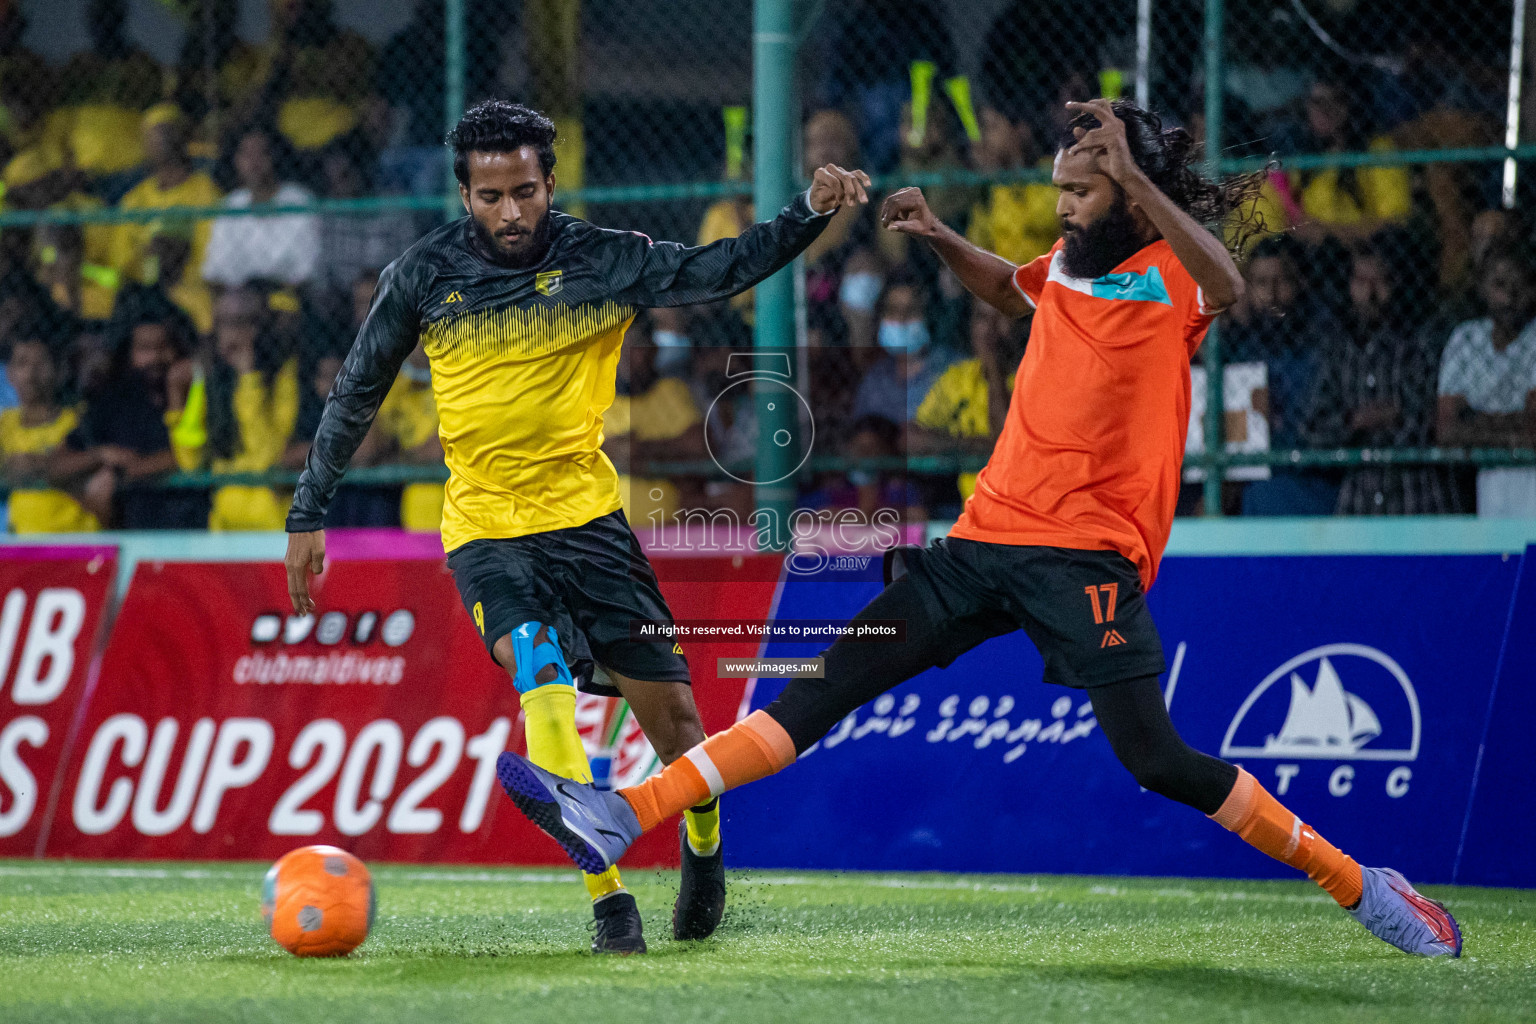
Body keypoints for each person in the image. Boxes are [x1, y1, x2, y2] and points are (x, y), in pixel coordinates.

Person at [496, 99, 1464, 962]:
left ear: (1127, 193)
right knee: (819, 691)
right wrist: (938, 234)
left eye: (1082, 191)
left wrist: (1130, 179)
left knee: (1159, 760)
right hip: (981, 541)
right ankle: (625, 811)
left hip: (1084, 558)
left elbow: (1230, 284)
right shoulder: (1071, 266)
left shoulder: (1171, 274)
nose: (1063, 206)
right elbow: (1016, 287)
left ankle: (1363, 884)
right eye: (1060, 189)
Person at [281, 100, 870, 953]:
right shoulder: (422, 275)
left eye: (525, 191)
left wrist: (806, 211)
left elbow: (721, 270)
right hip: (484, 528)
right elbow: (357, 389)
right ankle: (609, 902)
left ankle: (702, 848)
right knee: (539, 672)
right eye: (490, 197)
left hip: (589, 523)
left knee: (672, 717)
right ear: (464, 193)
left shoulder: (605, 259)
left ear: (551, 182)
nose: (510, 212)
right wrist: (309, 510)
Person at [1304, 239, 1456, 514]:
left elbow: (1427, 424)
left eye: (1380, 281)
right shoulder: (1339, 355)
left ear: (1396, 284)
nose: (1371, 293)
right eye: (1362, 281)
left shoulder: (1419, 347)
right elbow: (1313, 429)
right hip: (1359, 497)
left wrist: (1382, 423)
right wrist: (1356, 421)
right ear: (1349, 286)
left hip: (1416, 496)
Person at [1437, 246, 1536, 516]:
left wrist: (1475, 420)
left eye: (1520, 284)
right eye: (1500, 284)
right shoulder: (1466, 338)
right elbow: (1446, 432)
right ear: (1482, 288)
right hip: (1481, 483)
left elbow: (1533, 433)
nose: (1510, 296)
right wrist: (1513, 423)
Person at [111, 104, 223, 334]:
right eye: (154, 134)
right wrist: (147, 253)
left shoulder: (205, 191)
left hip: (190, 288)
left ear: (184, 139)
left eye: (169, 131)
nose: (162, 140)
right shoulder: (134, 199)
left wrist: (177, 252)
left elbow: (211, 250)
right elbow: (120, 258)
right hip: (143, 289)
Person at [1, 330, 100, 532]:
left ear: (61, 370)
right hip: (22, 542)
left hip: (79, 538)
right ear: (10, 373)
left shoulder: (79, 420)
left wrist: (38, 467)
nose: (31, 375)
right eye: (22, 363)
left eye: (41, 364)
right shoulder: (5, 424)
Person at [201, 126, 321, 289]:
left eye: (261, 153)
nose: (254, 162)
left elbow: (306, 273)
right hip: (240, 297)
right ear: (236, 160)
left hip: (287, 297)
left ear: (275, 157)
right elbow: (215, 272)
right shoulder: (230, 205)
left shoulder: (300, 201)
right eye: (247, 154)